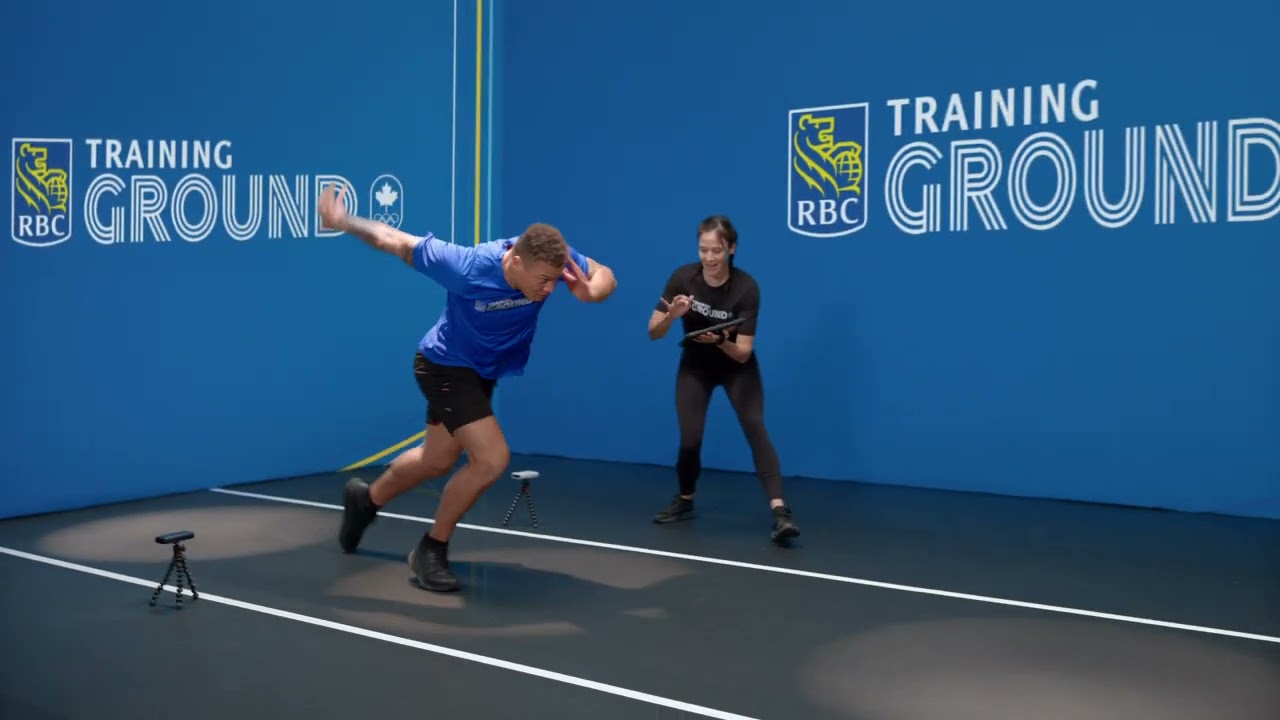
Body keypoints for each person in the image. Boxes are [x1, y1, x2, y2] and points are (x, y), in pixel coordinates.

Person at [317, 182, 618, 592]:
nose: (550, 289)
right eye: (544, 281)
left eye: (555, 281)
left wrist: (591, 290)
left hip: (481, 373)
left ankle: (365, 501)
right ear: (513, 260)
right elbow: (396, 242)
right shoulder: (468, 265)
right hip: (443, 368)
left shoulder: (557, 260)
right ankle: (431, 548)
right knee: (492, 459)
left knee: (437, 461)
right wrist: (343, 221)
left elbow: (604, 275)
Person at [646, 215, 799, 543]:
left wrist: (719, 341)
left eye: (716, 250)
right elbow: (653, 332)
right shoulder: (682, 279)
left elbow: (743, 352)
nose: (709, 258)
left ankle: (780, 512)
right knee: (690, 440)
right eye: (703, 250)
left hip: (735, 368)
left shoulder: (746, 288)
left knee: (755, 426)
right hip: (695, 367)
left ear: (731, 248)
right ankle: (685, 499)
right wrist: (672, 316)